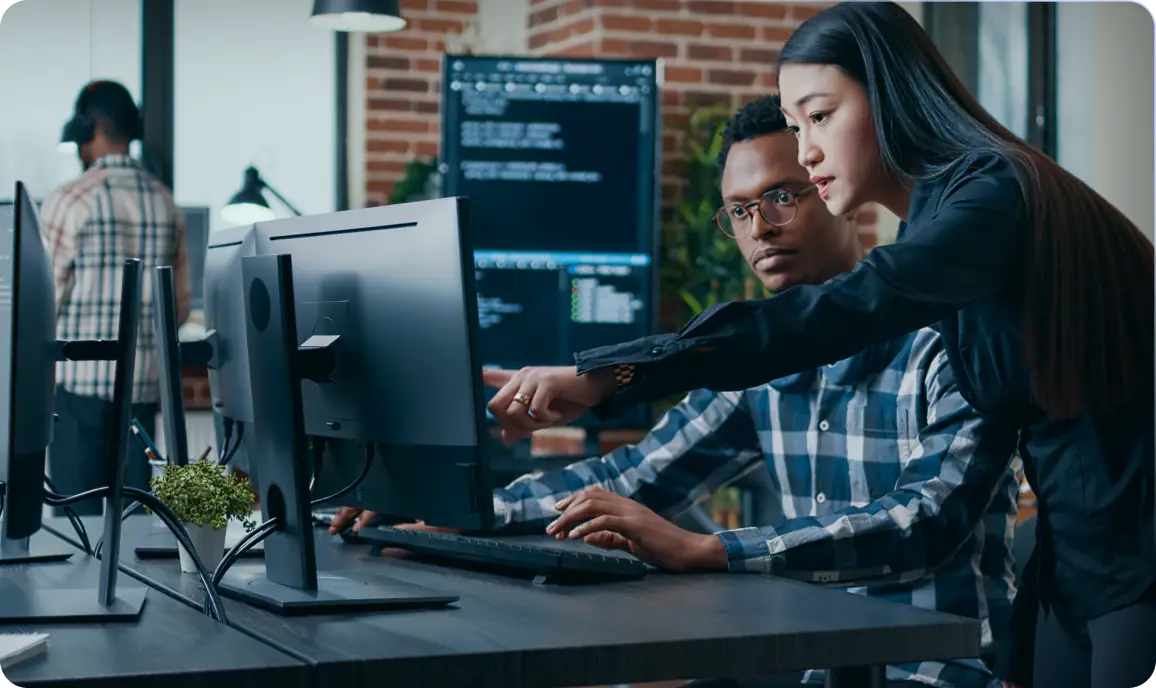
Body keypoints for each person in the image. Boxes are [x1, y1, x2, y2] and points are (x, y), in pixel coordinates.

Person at [484, 4, 1156, 687]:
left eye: (820, 116)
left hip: (1134, 557)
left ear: (889, 93)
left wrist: (611, 375)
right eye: (797, 124)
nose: (807, 149)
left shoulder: (992, 198)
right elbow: (644, 470)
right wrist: (457, 513)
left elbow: (853, 310)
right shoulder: (958, 229)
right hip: (1075, 562)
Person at [332, 95, 1022, 688]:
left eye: (782, 196)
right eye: (740, 210)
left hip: (936, 667)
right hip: (816, 663)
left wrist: (711, 548)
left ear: (835, 190)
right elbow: (632, 475)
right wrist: (451, 511)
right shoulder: (759, 362)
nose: (761, 227)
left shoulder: (948, 335)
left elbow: (925, 520)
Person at [43, 80, 191, 514]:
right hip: (141, 397)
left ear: (87, 131)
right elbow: (178, 308)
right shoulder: (166, 203)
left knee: (78, 534)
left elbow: (43, 305)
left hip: (78, 394)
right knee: (137, 534)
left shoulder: (70, 200)